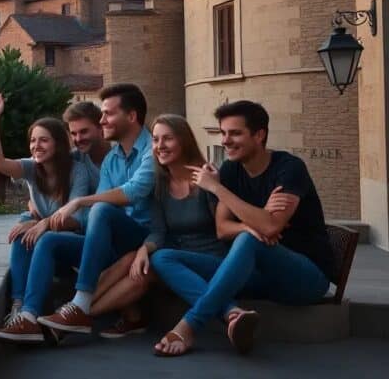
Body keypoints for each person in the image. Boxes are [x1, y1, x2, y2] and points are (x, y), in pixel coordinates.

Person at [150, 101, 334, 356]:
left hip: (304, 276)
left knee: (249, 240)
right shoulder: (231, 170)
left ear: (259, 135)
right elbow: (222, 229)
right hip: (256, 274)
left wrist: (216, 189)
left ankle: (188, 326)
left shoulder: (289, 168)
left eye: (235, 133)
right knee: (162, 257)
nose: (226, 141)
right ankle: (233, 315)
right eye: (223, 133)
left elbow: (270, 226)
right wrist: (253, 223)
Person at [84, 114, 229, 340]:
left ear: (184, 141)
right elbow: (159, 231)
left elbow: (224, 228)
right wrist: (144, 249)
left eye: (168, 139)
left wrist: (216, 187)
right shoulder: (159, 185)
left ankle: (84, 314)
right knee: (133, 260)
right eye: (155, 140)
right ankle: (79, 311)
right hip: (176, 257)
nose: (160, 146)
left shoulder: (207, 178)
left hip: (210, 260)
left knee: (151, 266)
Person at [40, 83, 155, 335]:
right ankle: (29, 314)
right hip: (119, 243)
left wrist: (80, 201)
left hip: (148, 237)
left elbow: (134, 192)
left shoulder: (153, 149)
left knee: (100, 210)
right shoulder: (112, 160)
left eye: (108, 114)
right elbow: (99, 207)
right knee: (50, 241)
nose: (102, 120)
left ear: (132, 116)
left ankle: (78, 306)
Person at [0, 83, 93, 343]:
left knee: (40, 233)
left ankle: (30, 315)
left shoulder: (77, 172)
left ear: (58, 143)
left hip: (77, 245)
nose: (36, 146)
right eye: (33, 140)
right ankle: (20, 308)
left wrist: (42, 223)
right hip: (48, 243)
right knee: (23, 230)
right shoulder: (33, 168)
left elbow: (76, 221)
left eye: (43, 140)